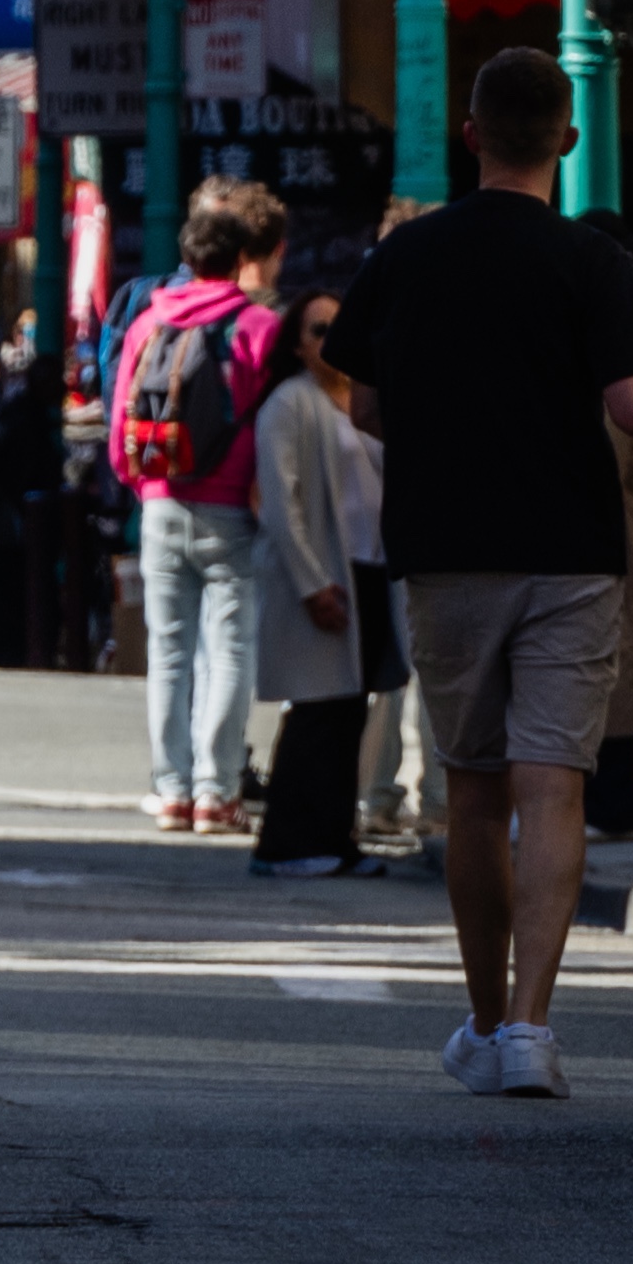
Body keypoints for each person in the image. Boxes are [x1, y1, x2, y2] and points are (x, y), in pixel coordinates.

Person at [319, 49, 633, 1101]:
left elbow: (363, 406)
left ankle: (485, 1016)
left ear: (470, 135)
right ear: (570, 141)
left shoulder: (409, 257)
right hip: (570, 554)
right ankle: (534, 1030)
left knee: (473, 789)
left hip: (447, 548)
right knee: (555, 784)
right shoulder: (592, 261)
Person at [105, 178, 288, 834]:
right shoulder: (259, 323)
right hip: (233, 503)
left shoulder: (151, 317)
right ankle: (218, 791)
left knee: (171, 650)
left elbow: (122, 407)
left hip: (160, 498)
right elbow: (275, 421)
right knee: (231, 646)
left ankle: (173, 788)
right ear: (241, 258)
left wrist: (139, 481)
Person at [247, 278, 384, 876]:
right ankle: (290, 842)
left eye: (339, 328)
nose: (330, 341)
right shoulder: (289, 403)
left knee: (352, 710)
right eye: (317, 330)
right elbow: (280, 502)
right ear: (297, 345)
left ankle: (335, 838)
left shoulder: (363, 397)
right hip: (322, 576)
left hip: (369, 569)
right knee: (316, 712)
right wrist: (310, 583)